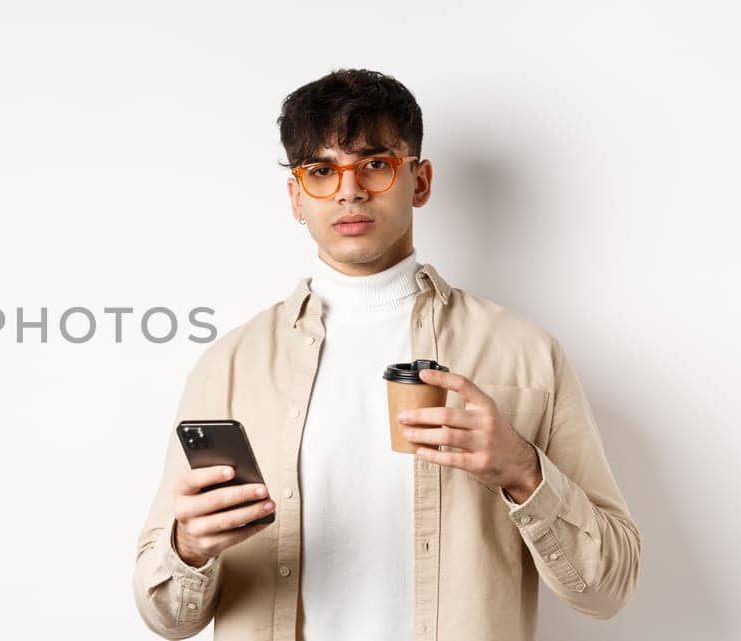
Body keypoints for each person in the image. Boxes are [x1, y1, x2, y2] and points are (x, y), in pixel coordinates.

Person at [131, 69, 640, 641]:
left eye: (375, 164)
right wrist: (190, 546)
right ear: (297, 198)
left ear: (419, 182)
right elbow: (166, 618)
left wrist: (522, 471)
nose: (349, 190)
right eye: (322, 171)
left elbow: (608, 589)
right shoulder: (229, 366)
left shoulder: (526, 353)